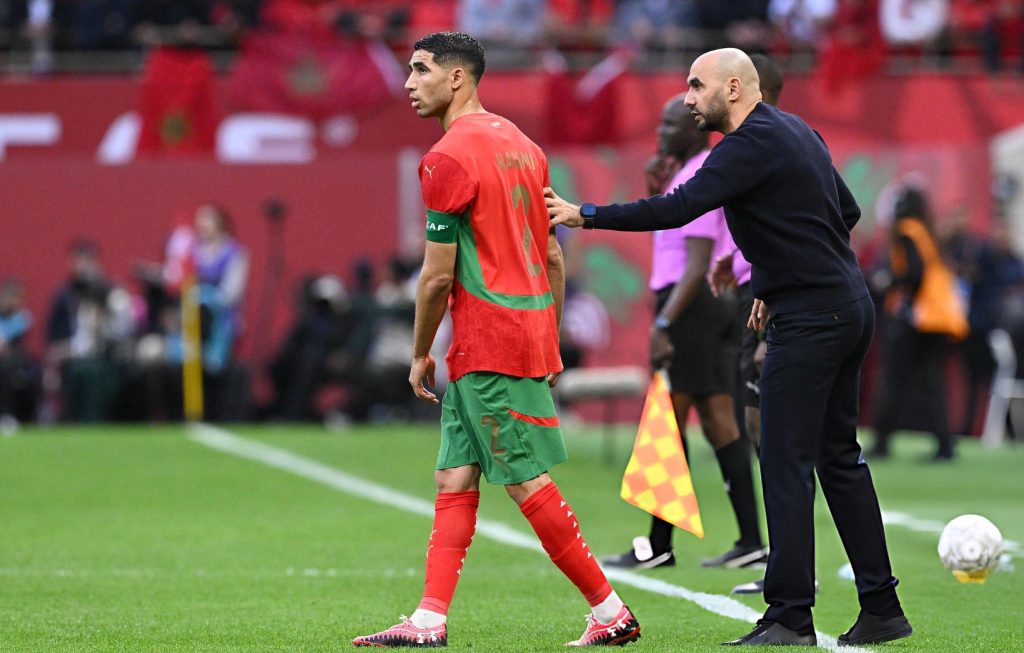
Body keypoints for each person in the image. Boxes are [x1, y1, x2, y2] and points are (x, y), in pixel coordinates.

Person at [546, 48, 911, 647]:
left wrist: (584, 213)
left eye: (697, 86)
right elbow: (845, 211)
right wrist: (772, 279)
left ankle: (790, 616)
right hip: (848, 307)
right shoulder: (797, 130)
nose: (688, 98)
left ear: (735, 88)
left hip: (811, 318)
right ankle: (881, 607)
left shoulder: (743, 147)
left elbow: (677, 208)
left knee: (785, 464)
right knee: (839, 459)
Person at [353, 32, 640, 648]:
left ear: (457, 78)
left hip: (489, 338)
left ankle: (610, 609)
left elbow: (436, 275)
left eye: (421, 70)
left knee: (523, 479)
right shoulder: (524, 147)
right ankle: (428, 620)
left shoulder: (447, 158)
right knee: (455, 478)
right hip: (514, 332)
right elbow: (553, 257)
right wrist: (550, 338)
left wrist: (419, 352)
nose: (409, 83)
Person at [601, 94, 765, 572]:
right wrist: (657, 186)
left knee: (667, 423)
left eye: (670, 124)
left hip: (690, 307)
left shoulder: (700, 175)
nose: (660, 133)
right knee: (719, 422)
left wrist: (664, 323)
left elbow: (696, 263)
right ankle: (751, 541)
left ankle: (658, 545)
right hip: (707, 307)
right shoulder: (692, 172)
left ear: (696, 128)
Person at [871, 186, 968, 460]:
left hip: (918, 318)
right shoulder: (925, 231)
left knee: (893, 378)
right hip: (936, 318)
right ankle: (944, 444)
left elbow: (914, 272)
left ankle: (882, 441)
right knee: (930, 381)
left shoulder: (907, 230)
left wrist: (889, 282)